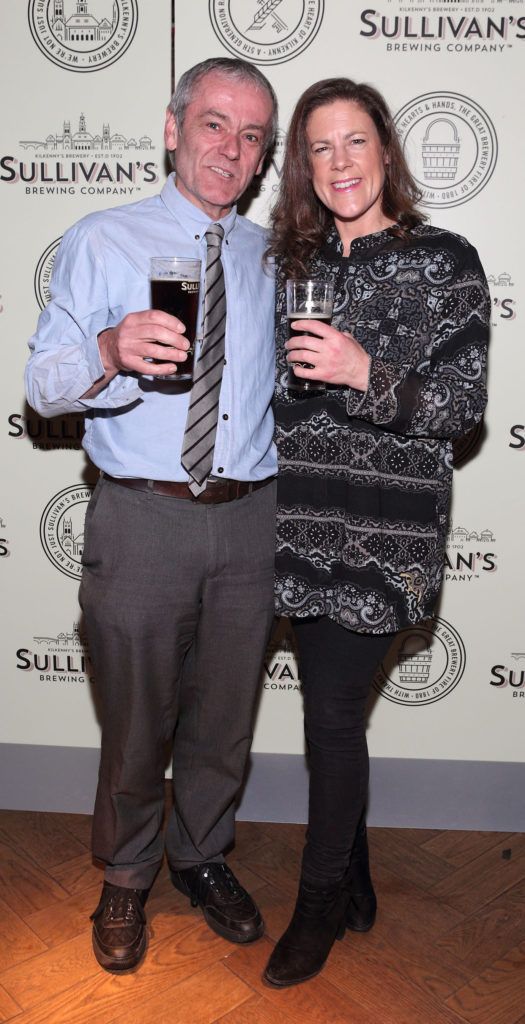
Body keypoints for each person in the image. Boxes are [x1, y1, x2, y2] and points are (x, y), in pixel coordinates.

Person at [25, 57, 278, 973]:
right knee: (137, 721)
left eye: (251, 136)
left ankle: (200, 855)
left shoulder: (272, 257)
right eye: (213, 124)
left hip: (252, 518)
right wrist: (108, 346)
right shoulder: (104, 238)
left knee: (224, 720)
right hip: (141, 518)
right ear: (172, 129)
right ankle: (127, 873)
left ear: (262, 157)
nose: (230, 148)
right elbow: (41, 383)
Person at [264, 78, 490, 988]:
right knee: (334, 718)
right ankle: (350, 878)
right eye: (319, 148)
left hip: (384, 534)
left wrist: (364, 370)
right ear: (304, 166)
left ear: (385, 151)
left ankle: (318, 903)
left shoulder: (446, 260)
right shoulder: (289, 263)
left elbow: (460, 410)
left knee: (328, 717)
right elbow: (273, 403)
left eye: (353, 142)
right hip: (292, 524)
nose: (339, 163)